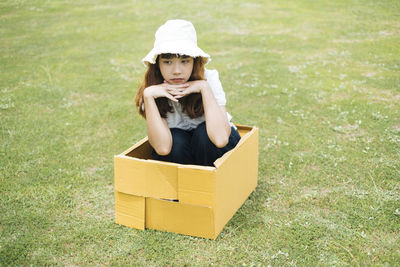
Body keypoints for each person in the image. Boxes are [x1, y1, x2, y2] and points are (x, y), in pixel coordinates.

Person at [135, 19, 241, 166]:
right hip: (181, 156)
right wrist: (148, 97)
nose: (177, 71)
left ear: (194, 61)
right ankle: (188, 185)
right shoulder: (152, 89)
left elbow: (220, 139)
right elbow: (163, 148)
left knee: (203, 135)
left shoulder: (209, 78)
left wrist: (204, 88)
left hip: (216, 150)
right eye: (167, 62)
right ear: (157, 64)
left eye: (184, 61)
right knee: (176, 140)